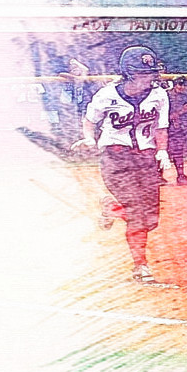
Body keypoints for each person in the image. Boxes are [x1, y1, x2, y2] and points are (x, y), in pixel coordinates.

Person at [70, 45, 174, 284]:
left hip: (146, 158)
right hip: (116, 157)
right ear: (128, 73)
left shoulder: (159, 95)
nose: (149, 78)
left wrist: (162, 152)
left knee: (151, 219)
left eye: (151, 72)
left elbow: (161, 127)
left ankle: (111, 208)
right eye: (143, 73)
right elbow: (89, 120)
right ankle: (141, 266)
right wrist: (89, 138)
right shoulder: (107, 95)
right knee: (137, 213)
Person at [166, 76, 187, 185]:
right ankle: (158, 176)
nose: (182, 87)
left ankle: (180, 175)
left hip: (176, 127)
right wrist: (179, 113)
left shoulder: (186, 97)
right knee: (161, 150)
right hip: (163, 126)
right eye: (180, 84)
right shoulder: (166, 95)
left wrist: (179, 117)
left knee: (178, 150)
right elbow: (164, 116)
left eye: (185, 85)